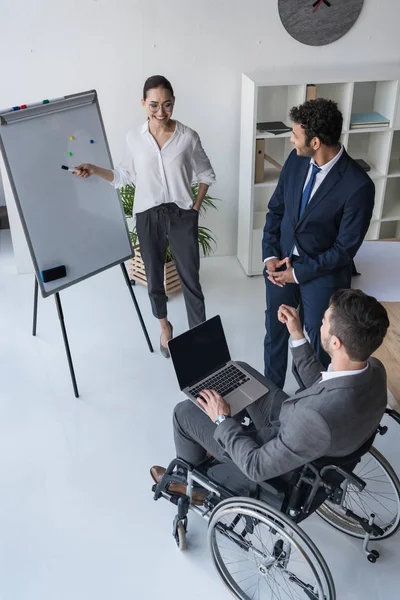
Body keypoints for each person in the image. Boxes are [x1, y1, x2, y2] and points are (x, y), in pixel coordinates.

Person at [150, 289, 389, 498]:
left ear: (336, 343)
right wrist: (297, 335)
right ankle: (212, 438)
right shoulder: (375, 370)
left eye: (325, 320)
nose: (320, 321)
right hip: (299, 425)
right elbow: (323, 384)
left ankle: (190, 486)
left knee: (183, 413)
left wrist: (221, 420)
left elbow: (256, 466)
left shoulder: (316, 418)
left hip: (274, 453)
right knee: (240, 371)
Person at [74, 75, 216, 357]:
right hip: (147, 215)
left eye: (167, 105)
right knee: (153, 278)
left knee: (191, 280)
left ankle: (199, 341)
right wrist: (94, 168)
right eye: (153, 106)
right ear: (143, 103)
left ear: (174, 102)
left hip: (180, 214)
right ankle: (165, 327)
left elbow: (206, 173)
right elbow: (124, 176)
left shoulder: (187, 137)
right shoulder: (133, 138)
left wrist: (194, 208)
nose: (161, 113)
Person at [263, 98, 375, 388]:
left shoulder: (359, 185)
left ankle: (309, 401)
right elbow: (277, 210)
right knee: (275, 331)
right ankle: (269, 398)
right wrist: (269, 256)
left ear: (314, 141)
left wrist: (298, 273)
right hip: (281, 264)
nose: (291, 140)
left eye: (295, 135)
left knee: (318, 343)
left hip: (323, 273)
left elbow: (344, 249)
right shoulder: (295, 160)